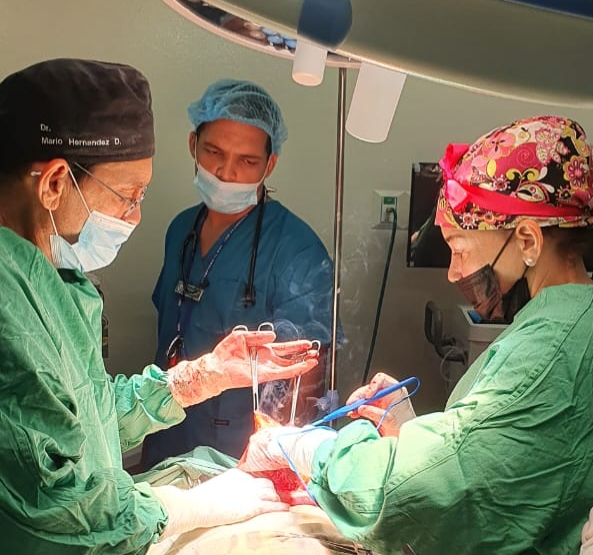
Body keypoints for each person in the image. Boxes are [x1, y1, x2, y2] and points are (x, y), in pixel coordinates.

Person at [0, 58, 320, 554]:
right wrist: (186, 508)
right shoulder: (9, 301)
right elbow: (54, 507)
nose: (135, 215)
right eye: (129, 195)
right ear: (55, 184)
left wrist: (201, 376)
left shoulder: (52, 277)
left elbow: (85, 414)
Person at [240, 115, 593, 554]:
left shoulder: (551, 350)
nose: (453, 273)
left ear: (527, 240)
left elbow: (419, 492)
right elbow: (515, 464)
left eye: (460, 249)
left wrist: (302, 447)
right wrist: (410, 432)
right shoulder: (570, 321)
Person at [143, 79, 337, 466]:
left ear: (270, 165)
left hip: (241, 456)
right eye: (213, 152)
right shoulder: (180, 230)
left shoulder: (296, 250)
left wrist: (281, 465)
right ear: (193, 145)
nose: (226, 172)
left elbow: (307, 378)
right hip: (167, 433)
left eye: (247, 161)